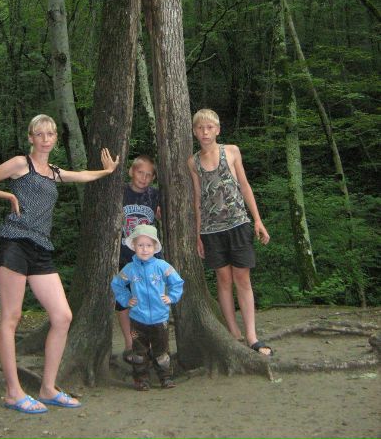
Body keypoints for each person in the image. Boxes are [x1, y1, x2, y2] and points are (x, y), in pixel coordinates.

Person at [0, 114, 119, 413]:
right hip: (14, 244)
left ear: (55, 138)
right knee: (11, 317)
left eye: (50, 134)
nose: (46, 139)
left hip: (41, 249)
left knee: (62, 316)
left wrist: (107, 171)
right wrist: (8, 196)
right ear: (31, 138)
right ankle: (13, 392)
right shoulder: (20, 164)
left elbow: (82, 175)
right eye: (40, 134)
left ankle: (48, 388)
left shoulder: (54, 173)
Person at [187, 108, 273, 356]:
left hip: (238, 224)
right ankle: (234, 334)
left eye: (209, 127)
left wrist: (257, 220)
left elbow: (244, 186)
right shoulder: (193, 162)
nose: (205, 132)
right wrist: (198, 235)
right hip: (211, 231)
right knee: (223, 279)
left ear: (217, 129)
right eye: (200, 128)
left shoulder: (232, 151)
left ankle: (252, 336)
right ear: (194, 132)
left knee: (242, 278)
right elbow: (198, 199)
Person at [111, 225, 184, 390]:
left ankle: (165, 378)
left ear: (155, 247)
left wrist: (171, 297)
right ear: (133, 246)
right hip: (137, 320)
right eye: (140, 245)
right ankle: (141, 380)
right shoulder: (129, 269)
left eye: (149, 245)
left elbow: (177, 282)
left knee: (162, 351)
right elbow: (117, 284)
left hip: (160, 319)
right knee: (138, 353)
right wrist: (126, 299)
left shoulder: (162, 266)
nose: (145, 249)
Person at [118, 155, 161, 364]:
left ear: (153, 178)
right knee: (124, 301)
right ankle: (130, 343)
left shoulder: (155, 195)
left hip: (149, 258)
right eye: (140, 172)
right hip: (124, 256)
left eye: (148, 175)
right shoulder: (120, 192)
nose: (143, 178)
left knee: (149, 298)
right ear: (131, 172)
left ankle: (149, 344)